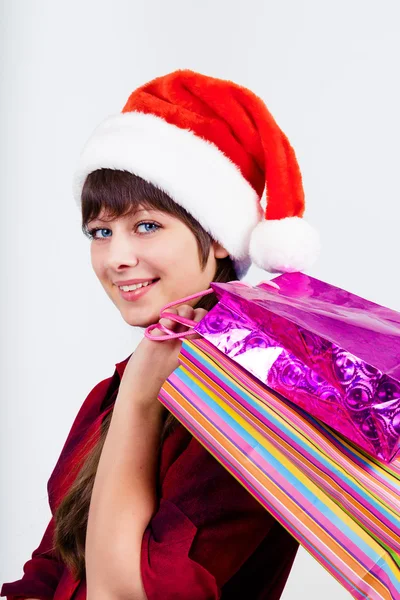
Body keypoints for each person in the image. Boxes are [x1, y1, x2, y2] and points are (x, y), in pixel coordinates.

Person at [1, 69, 319, 600]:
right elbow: (50, 572)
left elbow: (122, 595)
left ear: (218, 239)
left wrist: (142, 403)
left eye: (146, 225)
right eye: (101, 232)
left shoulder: (251, 411)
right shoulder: (113, 391)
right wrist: (136, 391)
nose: (117, 258)